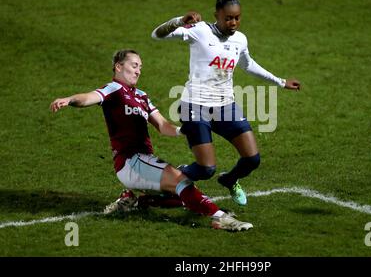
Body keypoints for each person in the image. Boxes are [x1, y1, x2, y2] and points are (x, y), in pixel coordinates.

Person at [50, 49, 253, 231]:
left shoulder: (142, 96)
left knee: (183, 193)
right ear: (119, 66)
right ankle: (221, 218)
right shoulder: (113, 89)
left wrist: (184, 130)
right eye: (134, 65)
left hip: (143, 161)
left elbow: (163, 126)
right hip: (131, 160)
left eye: (140, 67)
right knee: (182, 182)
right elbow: (88, 98)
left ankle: (137, 201)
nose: (138, 71)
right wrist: (69, 100)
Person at [151, 0, 300, 206]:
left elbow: (249, 65)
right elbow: (157, 35)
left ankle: (230, 180)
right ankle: (175, 175)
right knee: (206, 168)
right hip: (195, 106)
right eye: (228, 18)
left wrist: (280, 82)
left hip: (225, 106)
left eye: (237, 18)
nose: (233, 23)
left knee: (252, 159)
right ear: (216, 15)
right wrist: (180, 20)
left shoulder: (240, 40)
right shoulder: (199, 31)